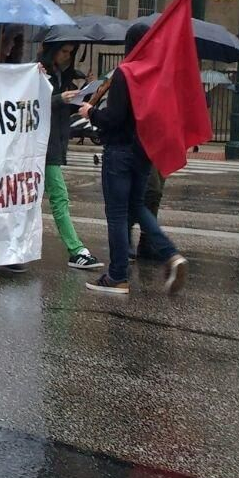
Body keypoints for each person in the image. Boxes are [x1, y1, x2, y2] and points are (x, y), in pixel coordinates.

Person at [80, 22, 188, 296]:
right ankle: (171, 253)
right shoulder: (155, 75)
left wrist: (90, 113)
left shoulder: (126, 73)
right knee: (137, 207)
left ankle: (117, 275)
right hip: (144, 152)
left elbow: (114, 119)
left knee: (117, 214)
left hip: (119, 152)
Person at [41, 40, 102, 271]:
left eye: (70, 52)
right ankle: (75, 249)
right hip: (43, 144)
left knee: (50, 197)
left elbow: (66, 109)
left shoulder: (61, 75)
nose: (67, 56)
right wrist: (60, 99)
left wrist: (84, 93)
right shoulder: (41, 71)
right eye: (63, 51)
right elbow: (31, 103)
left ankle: (75, 250)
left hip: (54, 142)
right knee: (59, 196)